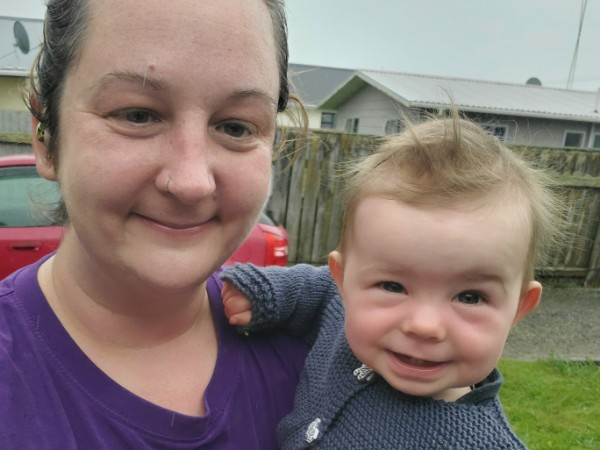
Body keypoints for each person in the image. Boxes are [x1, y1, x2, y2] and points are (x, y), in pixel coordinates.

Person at [0, 0, 310, 448]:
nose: (191, 182)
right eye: (137, 115)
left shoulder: (329, 368)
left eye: (235, 127)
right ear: (46, 138)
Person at [221, 114, 563, 449]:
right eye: (393, 287)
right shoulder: (339, 309)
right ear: (345, 281)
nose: (424, 326)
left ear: (519, 307)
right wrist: (266, 292)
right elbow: (317, 288)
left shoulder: (482, 443)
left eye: (470, 297)